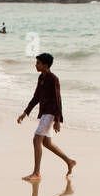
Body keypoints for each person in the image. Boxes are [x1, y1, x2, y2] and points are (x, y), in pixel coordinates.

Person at [17, 52, 76, 182]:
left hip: (51, 113)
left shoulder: (53, 79)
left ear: (46, 65)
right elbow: (36, 97)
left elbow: (57, 99)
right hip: (45, 113)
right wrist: (25, 113)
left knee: (36, 140)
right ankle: (69, 161)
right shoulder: (41, 78)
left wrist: (57, 120)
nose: (35, 65)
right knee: (46, 143)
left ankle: (36, 173)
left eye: (38, 63)